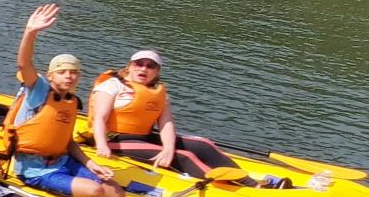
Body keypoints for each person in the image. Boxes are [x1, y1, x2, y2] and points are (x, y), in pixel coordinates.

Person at [90, 50, 285, 183]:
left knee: (203, 144)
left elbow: (166, 124)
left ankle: (246, 180)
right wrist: (101, 144)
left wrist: (167, 147)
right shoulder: (112, 85)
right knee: (184, 156)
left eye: (150, 66)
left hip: (143, 137)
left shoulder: (158, 92)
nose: (143, 69)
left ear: (156, 71)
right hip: (114, 139)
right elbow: (100, 118)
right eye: (139, 64)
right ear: (130, 66)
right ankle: (232, 186)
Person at [6, 4, 134, 197]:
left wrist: (91, 165)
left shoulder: (71, 101)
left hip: (63, 161)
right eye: (62, 71)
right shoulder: (39, 90)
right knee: (94, 191)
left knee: (116, 194)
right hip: (35, 170)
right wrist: (30, 32)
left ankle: (77, 183)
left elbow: (67, 142)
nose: (69, 76)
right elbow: (24, 64)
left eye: (73, 72)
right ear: (50, 75)